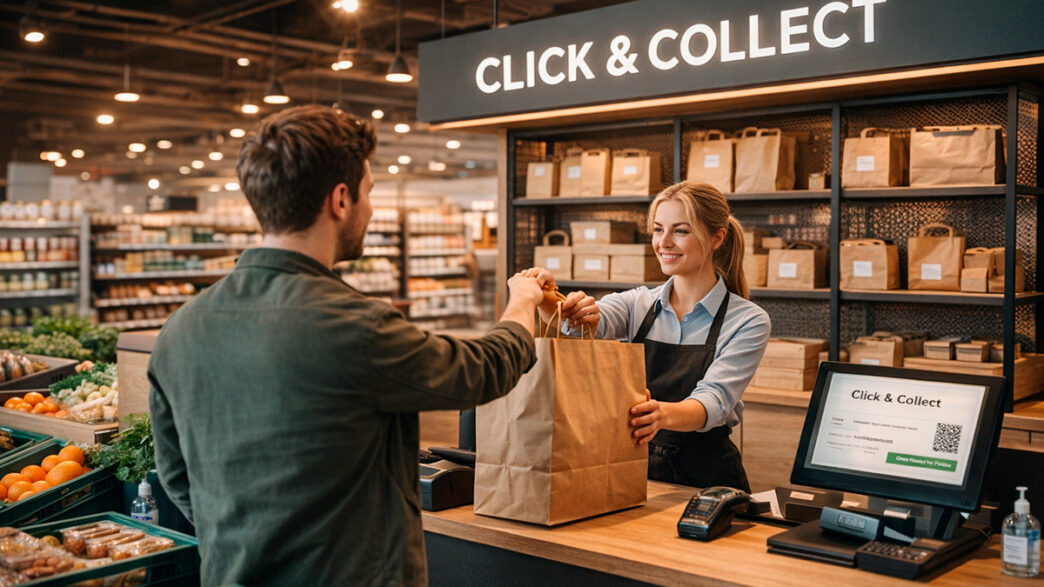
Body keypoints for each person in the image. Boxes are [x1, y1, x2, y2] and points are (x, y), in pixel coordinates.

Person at [148, 105, 546, 586]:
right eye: (369, 192)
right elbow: (479, 371)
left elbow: (175, 475)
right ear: (340, 199)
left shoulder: (181, 329)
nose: (371, 208)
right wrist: (523, 302)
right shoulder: (354, 324)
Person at [525, 181, 770, 491]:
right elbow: (578, 325)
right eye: (657, 230)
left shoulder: (748, 320)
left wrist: (661, 414)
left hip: (707, 477)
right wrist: (546, 293)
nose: (663, 243)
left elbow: (713, 402)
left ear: (716, 238)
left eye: (680, 231)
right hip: (635, 465)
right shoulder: (637, 303)